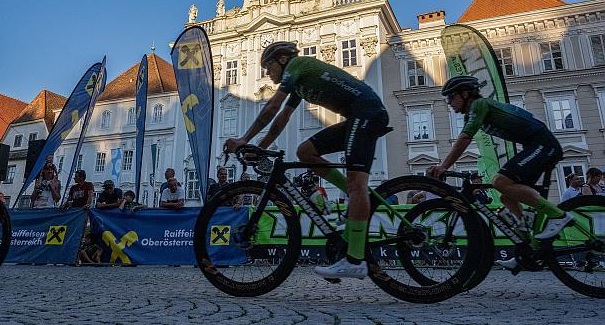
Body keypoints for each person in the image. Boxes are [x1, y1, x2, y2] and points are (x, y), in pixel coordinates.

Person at [225, 41, 390, 279]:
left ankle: (354, 260)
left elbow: (272, 107)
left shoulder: (297, 66)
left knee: (357, 183)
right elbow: (280, 120)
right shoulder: (298, 85)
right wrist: (258, 148)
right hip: (359, 116)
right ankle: (356, 198)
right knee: (305, 152)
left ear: (282, 60)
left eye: (268, 67)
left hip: (367, 113)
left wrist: (243, 138)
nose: (267, 73)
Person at [427, 76, 568, 271]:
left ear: (465, 94)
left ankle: (558, 215)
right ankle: (526, 249)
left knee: (499, 181)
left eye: (451, 97)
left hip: (543, 144)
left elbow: (465, 138)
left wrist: (444, 166)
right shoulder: (472, 113)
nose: (449, 103)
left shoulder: (479, 105)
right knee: (507, 197)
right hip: (535, 145)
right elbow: (463, 137)